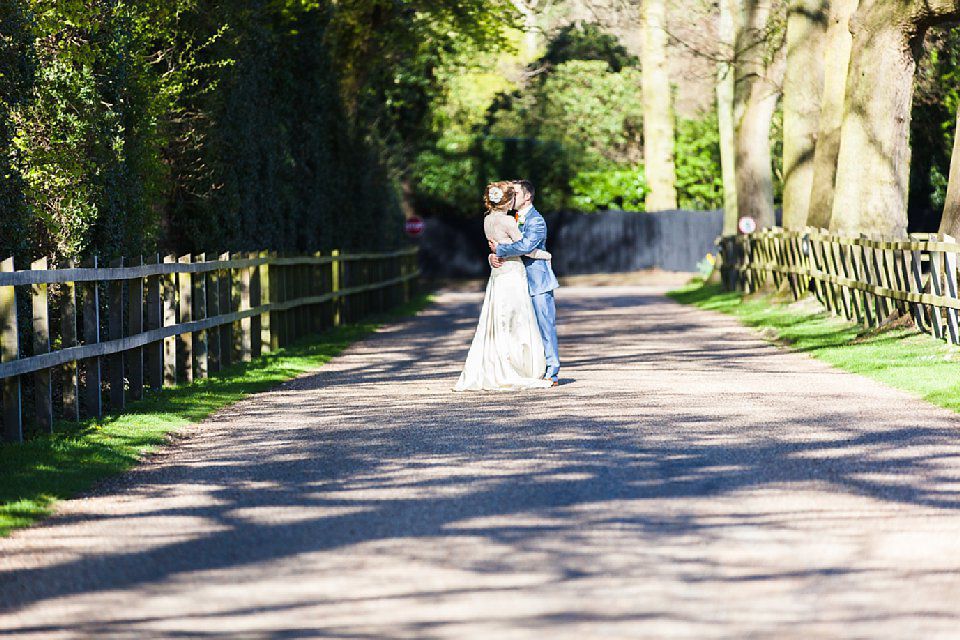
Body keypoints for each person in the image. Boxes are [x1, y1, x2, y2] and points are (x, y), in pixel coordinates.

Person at [453, 181, 554, 392]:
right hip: (512, 274)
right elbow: (525, 247)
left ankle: (503, 365)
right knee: (515, 320)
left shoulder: (488, 220)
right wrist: (546, 254)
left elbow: (504, 244)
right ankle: (514, 368)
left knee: (500, 319)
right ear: (507, 200)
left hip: (500, 274)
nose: (514, 197)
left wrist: (495, 252)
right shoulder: (508, 220)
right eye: (512, 195)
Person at [489, 179, 560, 386]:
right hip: (516, 280)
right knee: (520, 329)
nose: (511, 197)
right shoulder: (511, 219)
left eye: (516, 193)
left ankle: (552, 371)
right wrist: (493, 257)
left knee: (545, 326)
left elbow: (526, 245)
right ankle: (529, 369)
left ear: (527, 196)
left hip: (538, 282)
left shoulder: (536, 220)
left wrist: (500, 250)